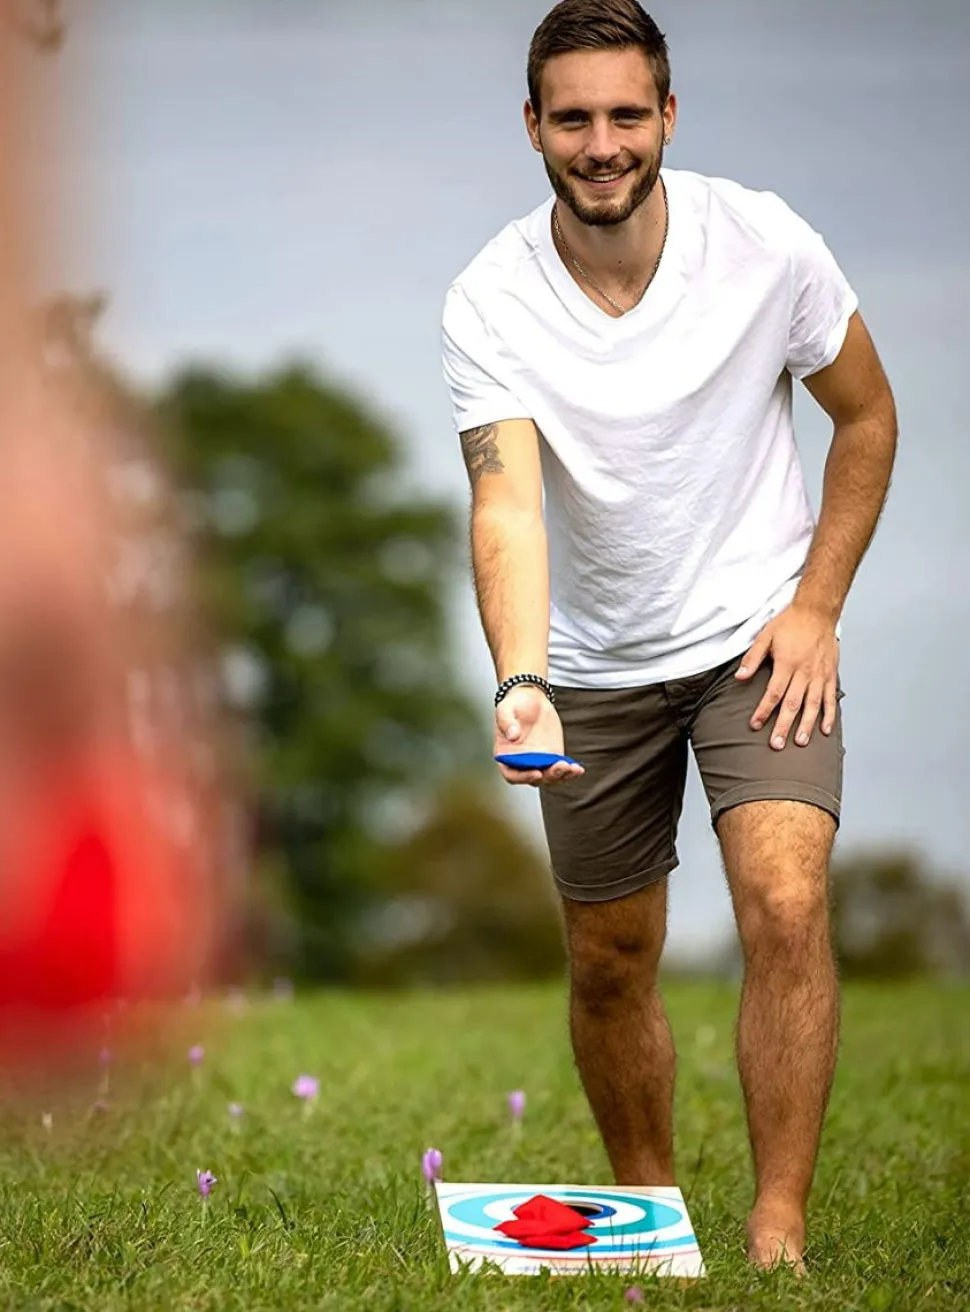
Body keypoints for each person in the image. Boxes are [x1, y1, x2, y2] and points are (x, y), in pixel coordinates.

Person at [440, 0, 897, 1275]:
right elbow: (506, 503)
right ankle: (658, 1225)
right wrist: (521, 678)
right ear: (532, 127)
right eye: (573, 117)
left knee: (785, 900)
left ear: (668, 118)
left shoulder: (767, 246)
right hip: (587, 663)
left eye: (625, 114)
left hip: (757, 640)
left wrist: (815, 605)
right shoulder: (488, 300)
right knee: (608, 957)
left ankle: (775, 1234)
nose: (602, 143)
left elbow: (866, 419)